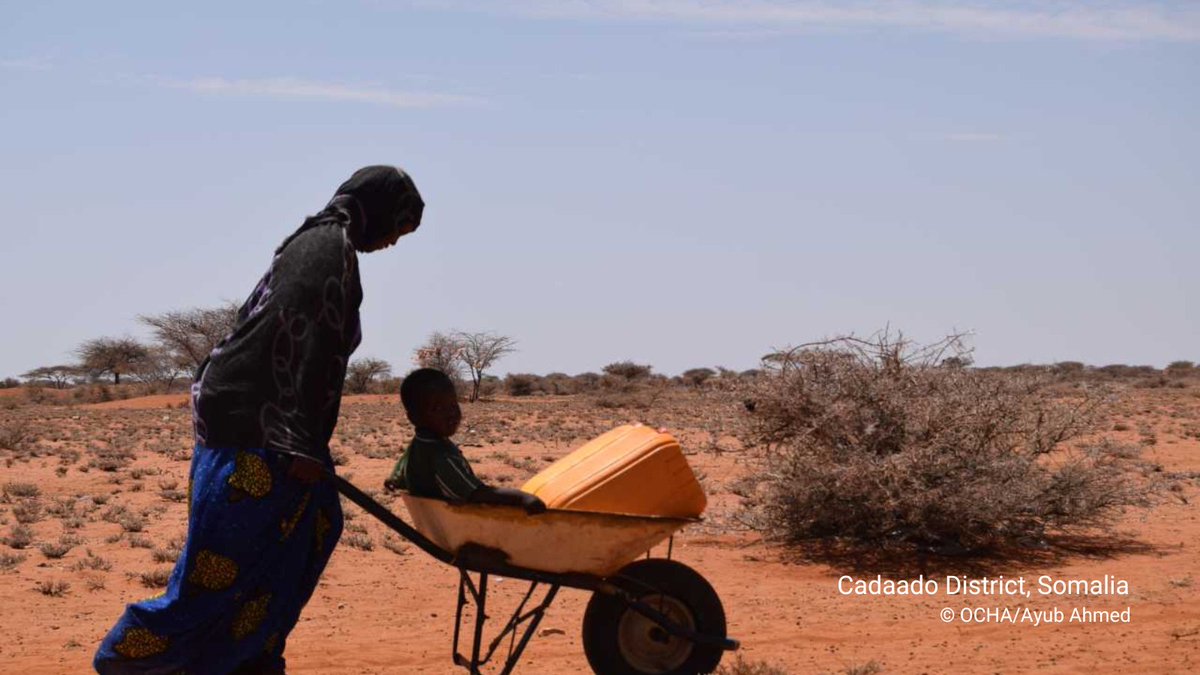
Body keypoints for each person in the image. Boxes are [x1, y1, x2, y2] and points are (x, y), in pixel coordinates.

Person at [94, 166, 424, 674]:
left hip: (271, 427)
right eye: (398, 228)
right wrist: (298, 444)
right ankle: (132, 658)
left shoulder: (326, 247)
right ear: (378, 210)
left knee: (307, 534)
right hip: (255, 430)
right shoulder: (324, 250)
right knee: (220, 567)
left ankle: (247, 659)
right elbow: (294, 346)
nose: (392, 242)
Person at [384, 368, 547, 513]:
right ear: (414, 417)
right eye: (438, 408)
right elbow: (475, 494)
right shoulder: (441, 457)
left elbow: (401, 471)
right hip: (453, 522)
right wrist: (522, 498)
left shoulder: (419, 445)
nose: (451, 414)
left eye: (453, 405)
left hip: (432, 520)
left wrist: (394, 479)